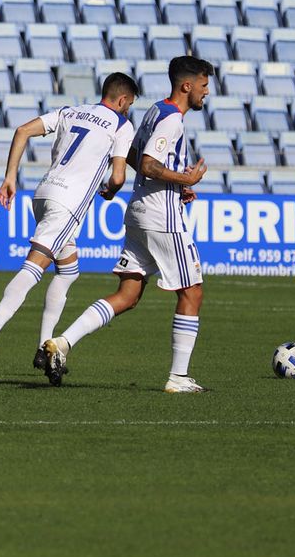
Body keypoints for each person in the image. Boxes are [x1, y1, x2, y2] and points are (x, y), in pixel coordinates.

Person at [42, 56, 213, 393]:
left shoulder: (153, 111)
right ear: (187, 85)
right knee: (192, 292)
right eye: (204, 86)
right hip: (162, 216)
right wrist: (183, 177)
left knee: (129, 293)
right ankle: (178, 378)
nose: (207, 93)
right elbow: (148, 163)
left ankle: (62, 342)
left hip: (138, 211)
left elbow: (135, 156)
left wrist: (177, 185)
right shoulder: (173, 121)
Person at [0, 73, 139, 377]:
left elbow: (22, 131)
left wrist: (10, 177)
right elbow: (118, 177)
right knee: (34, 266)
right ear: (123, 101)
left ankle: (45, 348)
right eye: (129, 106)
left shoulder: (69, 112)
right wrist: (111, 191)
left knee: (68, 271)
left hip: (43, 192)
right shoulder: (122, 125)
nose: (127, 111)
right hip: (68, 203)